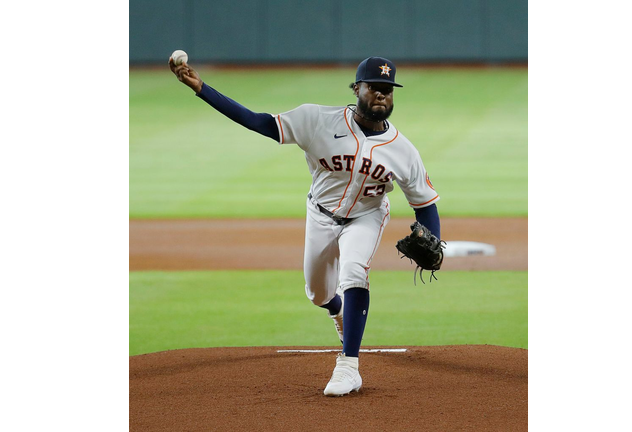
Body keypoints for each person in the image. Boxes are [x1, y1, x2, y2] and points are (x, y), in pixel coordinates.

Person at [169, 56, 441, 396]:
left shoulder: (403, 151)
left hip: (367, 216)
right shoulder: (317, 119)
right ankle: (337, 310)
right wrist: (201, 89)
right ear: (357, 88)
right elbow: (259, 122)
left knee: (355, 271)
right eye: (374, 88)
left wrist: (434, 240)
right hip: (320, 214)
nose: (382, 96)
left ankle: (349, 366)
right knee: (318, 293)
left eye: (388, 90)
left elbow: (425, 204)